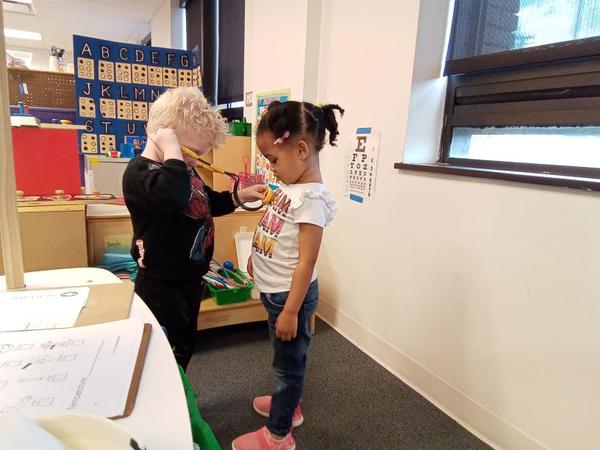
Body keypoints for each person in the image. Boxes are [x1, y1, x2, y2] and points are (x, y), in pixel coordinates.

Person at [122, 87, 266, 370]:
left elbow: (206, 201)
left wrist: (239, 197)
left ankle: (181, 392)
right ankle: (168, 400)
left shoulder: (183, 170)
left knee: (183, 346)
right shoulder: (139, 174)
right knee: (162, 354)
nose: (194, 161)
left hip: (189, 281)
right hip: (161, 286)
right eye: (192, 152)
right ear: (165, 136)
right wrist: (173, 150)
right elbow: (174, 196)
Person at [232, 101, 343, 450]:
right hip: (275, 292)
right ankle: (288, 404)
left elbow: (306, 262)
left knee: (288, 366)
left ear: (301, 149)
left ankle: (278, 436)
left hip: (289, 298)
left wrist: (292, 311)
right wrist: (255, 257)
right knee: (285, 357)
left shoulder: (311, 198)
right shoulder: (292, 188)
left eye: (274, 160)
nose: (271, 167)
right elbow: (276, 230)